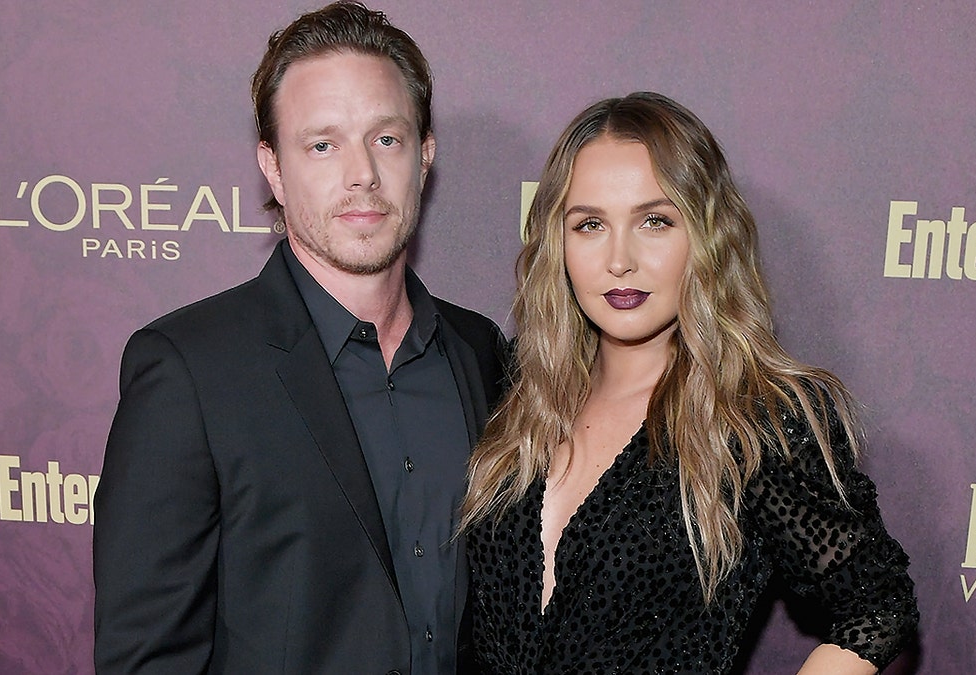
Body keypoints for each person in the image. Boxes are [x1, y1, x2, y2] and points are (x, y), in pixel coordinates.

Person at [93, 3, 507, 673]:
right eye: (323, 144)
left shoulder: (479, 352)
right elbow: (146, 659)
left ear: (425, 155)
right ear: (273, 168)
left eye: (387, 139)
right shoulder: (189, 372)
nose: (361, 174)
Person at [461, 92, 918, 674]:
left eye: (655, 221)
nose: (619, 259)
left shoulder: (753, 420)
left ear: (705, 235)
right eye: (590, 225)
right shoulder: (521, 398)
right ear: (559, 243)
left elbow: (877, 602)